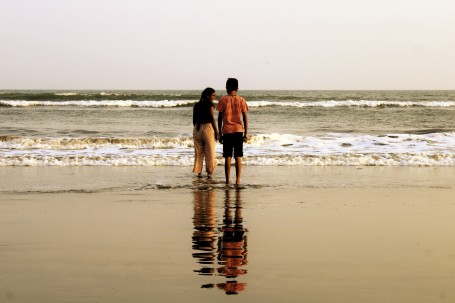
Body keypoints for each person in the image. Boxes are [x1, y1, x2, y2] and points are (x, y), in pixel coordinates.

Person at [216, 78, 249, 185]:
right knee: (238, 156)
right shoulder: (241, 100)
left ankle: (227, 180)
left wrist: (219, 133)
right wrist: (246, 133)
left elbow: (220, 117)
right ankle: (238, 180)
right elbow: (245, 117)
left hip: (227, 131)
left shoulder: (223, 100)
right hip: (239, 130)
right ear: (237, 88)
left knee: (228, 157)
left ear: (226, 88)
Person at [193, 88, 219, 177]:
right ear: (208, 96)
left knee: (198, 152)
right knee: (210, 152)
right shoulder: (210, 105)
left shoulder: (197, 105)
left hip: (197, 128)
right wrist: (216, 131)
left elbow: (194, 119)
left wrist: (197, 128)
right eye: (213, 95)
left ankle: (199, 172)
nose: (214, 97)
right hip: (207, 128)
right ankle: (209, 173)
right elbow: (212, 119)